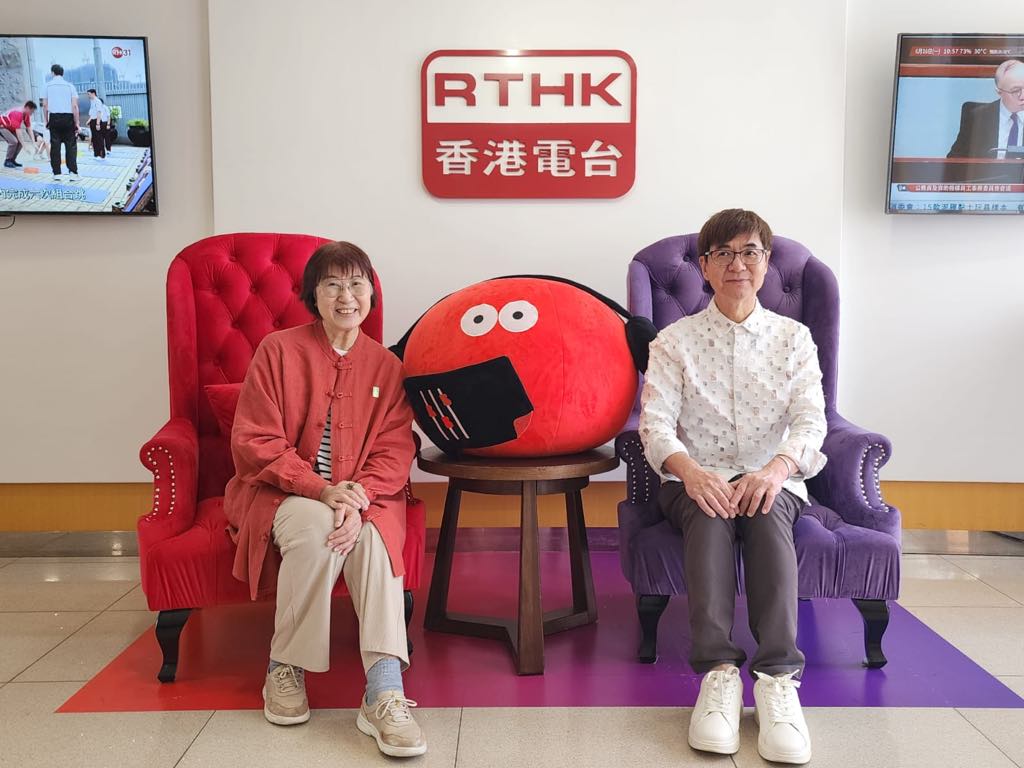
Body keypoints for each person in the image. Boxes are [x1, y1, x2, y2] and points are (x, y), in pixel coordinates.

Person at [224, 241, 427, 758]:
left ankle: (383, 690)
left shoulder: (387, 366)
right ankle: (285, 667)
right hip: (282, 491)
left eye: (357, 284)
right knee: (318, 531)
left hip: (365, 496)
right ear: (312, 294)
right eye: (332, 284)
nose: (346, 296)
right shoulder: (277, 350)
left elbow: (396, 447)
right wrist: (321, 490)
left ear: (371, 294)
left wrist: (358, 500)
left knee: (375, 541)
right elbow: (255, 440)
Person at [639, 209, 826, 765]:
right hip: (694, 479)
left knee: (766, 512)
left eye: (749, 252)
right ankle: (718, 675)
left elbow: (811, 421)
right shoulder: (673, 342)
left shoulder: (794, 339)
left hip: (774, 475)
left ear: (766, 262)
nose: (737, 264)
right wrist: (692, 472)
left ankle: (777, 680)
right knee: (710, 511)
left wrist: (777, 469)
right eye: (723, 253)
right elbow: (655, 425)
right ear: (704, 266)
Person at [948, 59, 1024, 159]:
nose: (1022, 96)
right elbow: (955, 160)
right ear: (999, 91)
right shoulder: (977, 117)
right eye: (1016, 91)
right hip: (986, 170)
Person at [42, 64, 80, 182]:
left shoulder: (47, 86)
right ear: (62, 73)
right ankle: (73, 173)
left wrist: (46, 120)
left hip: (54, 118)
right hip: (68, 118)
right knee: (71, 146)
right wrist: (77, 122)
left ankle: (57, 173)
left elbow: (45, 105)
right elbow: (75, 106)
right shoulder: (70, 86)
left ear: (52, 73)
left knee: (55, 146)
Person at [0, 100, 36, 168]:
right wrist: (25, 146)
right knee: (14, 141)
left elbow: (29, 128)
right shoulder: (17, 113)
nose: (32, 113)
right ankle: (7, 161)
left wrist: (33, 142)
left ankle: (12, 160)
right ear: (27, 108)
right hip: (2, 127)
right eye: (32, 111)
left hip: (10, 128)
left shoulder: (26, 115)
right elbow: (18, 132)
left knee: (20, 142)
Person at [86, 89, 111, 159]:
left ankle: (102, 154)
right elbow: (92, 113)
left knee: (99, 138)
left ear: (93, 93)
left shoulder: (97, 101)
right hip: (92, 120)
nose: (88, 96)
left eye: (89, 94)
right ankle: (96, 154)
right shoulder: (92, 101)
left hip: (97, 121)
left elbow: (99, 112)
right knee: (94, 139)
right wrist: (89, 121)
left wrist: (98, 123)